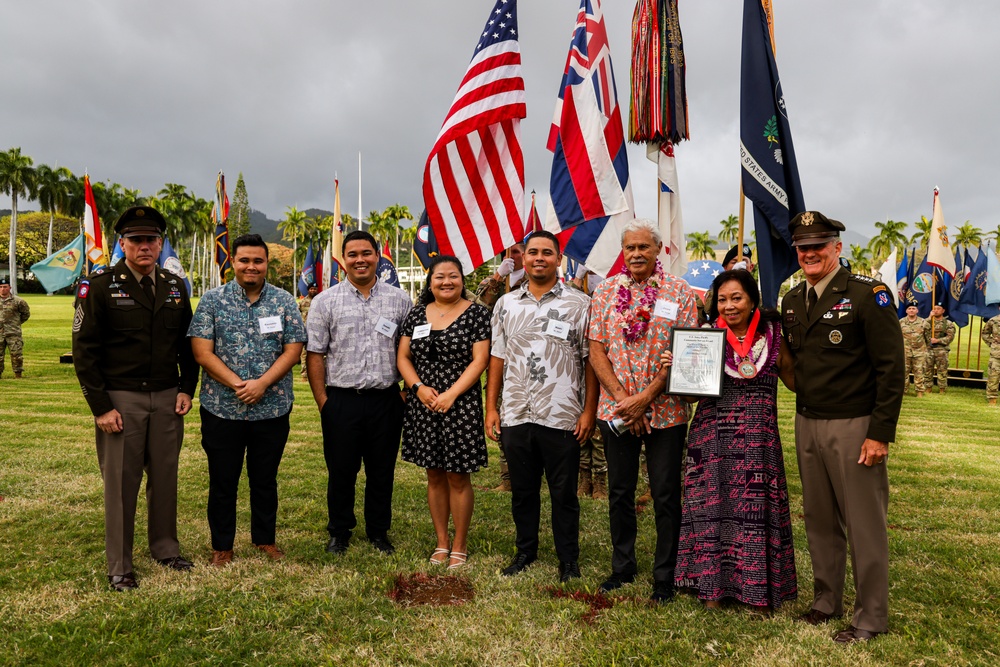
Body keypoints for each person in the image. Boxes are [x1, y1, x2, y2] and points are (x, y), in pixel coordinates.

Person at [781, 211, 904, 643]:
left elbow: (892, 369)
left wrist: (880, 432)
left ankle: (870, 616)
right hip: (808, 420)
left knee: (863, 522)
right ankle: (825, 600)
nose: (810, 253)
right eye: (802, 246)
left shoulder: (868, 294)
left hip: (854, 424)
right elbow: (792, 363)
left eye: (819, 244)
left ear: (837, 247)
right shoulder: (793, 300)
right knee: (818, 518)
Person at [71, 206, 199, 591]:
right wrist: (101, 407)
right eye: (136, 240)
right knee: (121, 484)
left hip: (165, 398)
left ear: (160, 244)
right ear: (122, 243)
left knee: (165, 477)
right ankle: (120, 564)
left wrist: (185, 389)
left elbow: (187, 346)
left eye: (151, 240)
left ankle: (164, 547)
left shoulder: (175, 287)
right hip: (121, 400)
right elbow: (84, 352)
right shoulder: (98, 285)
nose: (145, 246)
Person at [670, 269, 798, 610]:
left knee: (755, 516)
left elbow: (796, 382)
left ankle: (757, 594)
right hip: (712, 441)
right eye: (722, 299)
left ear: (752, 299)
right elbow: (691, 398)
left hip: (759, 443)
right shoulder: (705, 337)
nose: (728, 306)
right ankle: (713, 590)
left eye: (736, 298)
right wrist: (679, 369)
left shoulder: (774, 336)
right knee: (715, 513)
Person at [588, 218, 699, 603]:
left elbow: (685, 352)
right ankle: (623, 567)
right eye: (630, 248)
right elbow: (596, 350)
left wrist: (645, 399)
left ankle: (665, 575)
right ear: (624, 252)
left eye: (643, 248)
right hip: (616, 410)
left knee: (666, 492)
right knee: (620, 491)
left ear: (657, 251)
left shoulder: (679, 292)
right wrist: (625, 402)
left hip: (665, 411)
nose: (636, 254)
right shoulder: (604, 293)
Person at [188, 234, 306, 567]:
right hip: (222, 408)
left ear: (267, 264)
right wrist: (241, 385)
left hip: (272, 408)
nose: (251, 266)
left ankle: (264, 539)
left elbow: (293, 349)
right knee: (223, 479)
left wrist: (263, 384)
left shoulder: (283, 301)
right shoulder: (212, 301)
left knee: (265, 478)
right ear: (233, 263)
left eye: (258, 260)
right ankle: (222, 546)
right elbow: (201, 351)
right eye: (244, 260)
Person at [485, 231, 596, 583]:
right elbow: (497, 357)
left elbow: (589, 361)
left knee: (564, 494)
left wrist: (589, 410)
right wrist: (492, 407)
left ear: (558, 259)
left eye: (547, 252)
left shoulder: (580, 304)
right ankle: (525, 552)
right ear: (523, 258)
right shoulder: (507, 304)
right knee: (523, 490)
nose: (538, 258)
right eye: (532, 252)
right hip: (516, 411)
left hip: (562, 414)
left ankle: (568, 560)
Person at [306, 230, 412, 555]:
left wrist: (406, 394)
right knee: (341, 471)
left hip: (386, 400)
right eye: (352, 254)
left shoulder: (400, 300)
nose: (360, 260)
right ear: (344, 259)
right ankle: (339, 531)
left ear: (377, 256)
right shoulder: (325, 301)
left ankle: (378, 532)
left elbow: (413, 351)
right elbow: (314, 354)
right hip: (341, 401)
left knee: (382, 471)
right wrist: (324, 401)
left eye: (366, 253)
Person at [397, 255, 490, 569]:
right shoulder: (416, 315)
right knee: (434, 475)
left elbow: (480, 360)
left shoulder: (477, 314)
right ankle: (441, 542)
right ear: (430, 281)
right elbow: (403, 358)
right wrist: (418, 388)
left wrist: (451, 394)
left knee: (458, 476)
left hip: (460, 405)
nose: (446, 281)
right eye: (439, 277)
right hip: (424, 405)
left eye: (453, 276)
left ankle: (460, 544)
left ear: (462, 280)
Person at [477, 241, 527, 493]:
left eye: (519, 251)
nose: (515, 255)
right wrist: (499, 276)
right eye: (511, 252)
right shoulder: (492, 281)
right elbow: (477, 310)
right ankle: (507, 479)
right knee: (501, 417)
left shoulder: (534, 280)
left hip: (526, 361)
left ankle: (528, 473)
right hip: (498, 358)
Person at [570, 265, 608, 500]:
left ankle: (601, 480)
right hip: (577, 374)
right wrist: (577, 279)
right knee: (580, 429)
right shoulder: (576, 299)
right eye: (590, 273)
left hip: (602, 372)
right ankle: (584, 477)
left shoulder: (610, 296)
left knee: (598, 434)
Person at [0, 276, 30, 379]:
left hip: (13, 333)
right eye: (0, 287)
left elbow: (25, 314)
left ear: (10, 287)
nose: (3, 289)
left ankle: (18, 374)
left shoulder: (18, 301)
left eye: (5, 286)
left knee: (16, 355)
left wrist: (16, 323)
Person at [899, 301, 931, 396]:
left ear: (917, 310)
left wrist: (924, 349)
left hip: (920, 352)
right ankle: (903, 391)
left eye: (913, 309)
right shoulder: (901, 322)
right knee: (904, 372)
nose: (911, 310)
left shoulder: (924, 323)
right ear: (906, 311)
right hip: (905, 351)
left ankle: (919, 392)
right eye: (909, 309)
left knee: (919, 372)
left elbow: (927, 338)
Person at [926, 302, 955, 393]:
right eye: (934, 308)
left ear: (943, 311)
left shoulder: (948, 323)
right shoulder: (928, 321)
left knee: (942, 370)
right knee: (927, 369)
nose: (936, 310)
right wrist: (929, 318)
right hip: (928, 350)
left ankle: (942, 388)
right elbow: (921, 328)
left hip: (941, 350)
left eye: (938, 308)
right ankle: (928, 388)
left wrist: (938, 340)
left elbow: (950, 337)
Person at [298, 282, 318, 378]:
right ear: (308, 290)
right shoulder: (302, 302)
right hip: (305, 331)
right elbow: (296, 316)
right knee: (304, 353)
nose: (313, 290)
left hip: (318, 331)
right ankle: (304, 374)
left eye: (315, 289)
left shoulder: (320, 301)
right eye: (311, 289)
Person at [982, 313, 1000, 406]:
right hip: (996, 354)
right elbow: (985, 333)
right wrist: (992, 344)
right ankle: (992, 398)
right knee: (993, 376)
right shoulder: (993, 320)